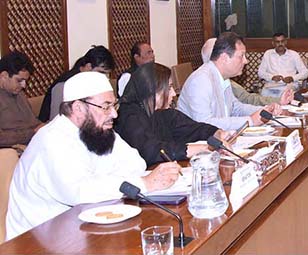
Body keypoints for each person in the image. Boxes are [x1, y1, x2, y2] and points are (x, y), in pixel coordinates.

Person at [5, 72, 181, 240]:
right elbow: (79, 193)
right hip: (36, 240)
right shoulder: (50, 141)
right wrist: (144, 183)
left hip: (85, 228)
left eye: (114, 105)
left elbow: (136, 163)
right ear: (78, 108)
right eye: (106, 106)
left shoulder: (98, 130)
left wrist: (106, 181)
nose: (114, 114)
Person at [115, 62, 227, 166]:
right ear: (152, 90)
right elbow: (150, 151)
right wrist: (196, 149)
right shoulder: (129, 116)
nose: (173, 93)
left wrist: (216, 133)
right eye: (168, 88)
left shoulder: (161, 111)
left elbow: (191, 128)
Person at [177, 32, 280, 130]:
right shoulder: (200, 81)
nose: (246, 61)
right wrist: (250, 121)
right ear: (225, 57)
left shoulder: (223, 78)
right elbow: (204, 124)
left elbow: (236, 108)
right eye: (241, 56)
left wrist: (264, 110)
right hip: (198, 143)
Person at [201, 38, 292, 106]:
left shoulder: (226, 81)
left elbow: (240, 106)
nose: (246, 61)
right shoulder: (202, 83)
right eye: (241, 56)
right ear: (223, 57)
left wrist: (276, 103)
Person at [39, 45, 115, 122]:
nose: (104, 78)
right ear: (89, 67)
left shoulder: (92, 83)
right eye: (101, 73)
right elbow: (56, 119)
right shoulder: (64, 85)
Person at [0, 51, 42, 148]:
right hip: (11, 151)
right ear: (4, 76)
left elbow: (33, 122)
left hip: (32, 143)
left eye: (25, 81)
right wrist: (32, 133)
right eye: (19, 80)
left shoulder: (19, 94)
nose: (24, 85)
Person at [257, 32, 308, 98]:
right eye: (277, 42)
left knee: (284, 96)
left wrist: (292, 78)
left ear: (286, 42)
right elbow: (260, 73)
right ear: (273, 43)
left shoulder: (293, 54)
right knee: (264, 94)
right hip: (272, 85)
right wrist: (272, 77)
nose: (280, 44)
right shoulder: (268, 54)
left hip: (289, 85)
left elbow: (305, 73)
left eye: (282, 41)